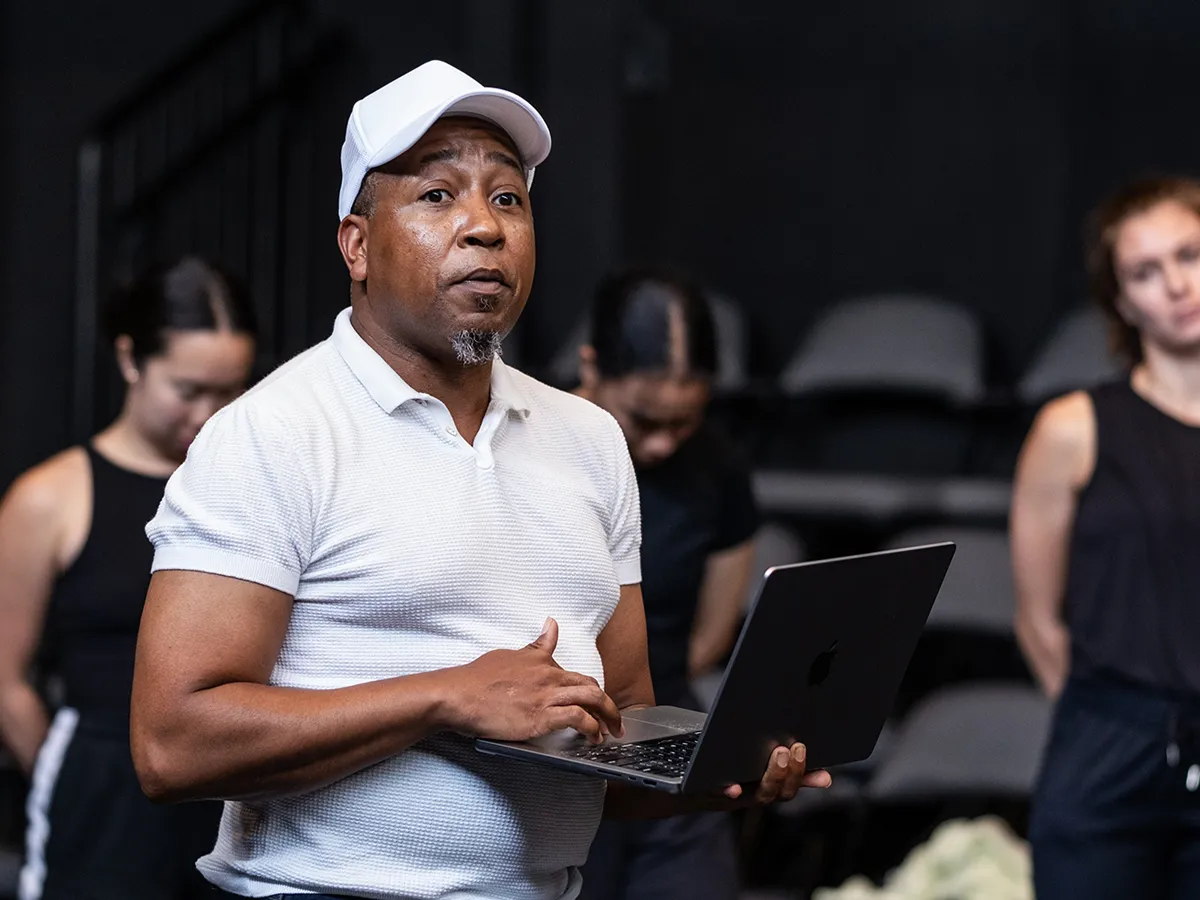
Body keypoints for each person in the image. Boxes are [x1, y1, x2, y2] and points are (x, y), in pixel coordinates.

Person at [129, 60, 829, 900]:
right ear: (357, 244)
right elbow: (171, 745)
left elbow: (615, 750)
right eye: (437, 196)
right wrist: (446, 698)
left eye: (508, 198)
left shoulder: (590, 440)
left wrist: (723, 773)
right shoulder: (273, 433)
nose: (485, 228)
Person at [0, 256, 257, 900]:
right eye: (188, 389)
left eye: (229, 392)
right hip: (102, 794)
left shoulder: (250, 491)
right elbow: (5, 678)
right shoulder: (51, 497)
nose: (207, 413)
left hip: (231, 790)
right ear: (131, 361)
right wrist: (69, 777)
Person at [1012, 175, 1200, 899]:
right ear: (1122, 302)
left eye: (1190, 255)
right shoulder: (1072, 428)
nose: (1178, 285)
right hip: (1109, 748)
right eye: (1146, 272)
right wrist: (1107, 723)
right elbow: (1037, 617)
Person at [574, 268, 759, 899]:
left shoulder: (719, 468)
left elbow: (712, 633)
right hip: (556, 742)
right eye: (643, 418)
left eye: (683, 423)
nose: (660, 444)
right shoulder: (532, 449)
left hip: (665, 730)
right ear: (590, 368)